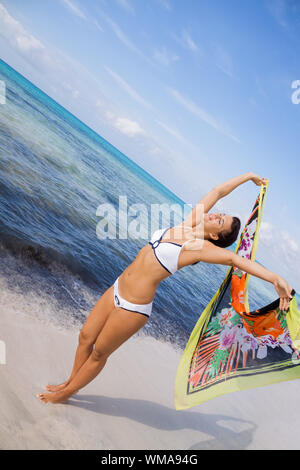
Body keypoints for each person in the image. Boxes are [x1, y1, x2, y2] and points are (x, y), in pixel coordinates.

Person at [37, 172, 293, 404]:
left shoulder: (200, 249)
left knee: (99, 353)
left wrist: (275, 279)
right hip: (117, 288)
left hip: (133, 307)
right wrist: (247, 177)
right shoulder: (189, 223)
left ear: (215, 237)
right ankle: (70, 382)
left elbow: (237, 260)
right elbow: (217, 191)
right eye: (220, 214)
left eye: (219, 221)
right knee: (85, 337)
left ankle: (66, 394)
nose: (215, 214)